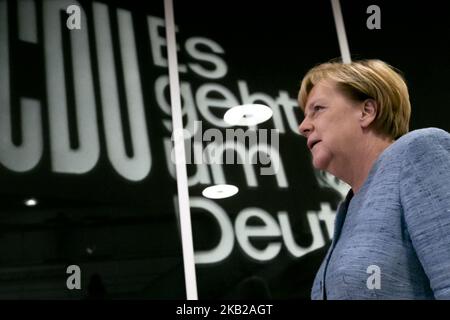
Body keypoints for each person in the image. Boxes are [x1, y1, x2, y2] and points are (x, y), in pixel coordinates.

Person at [297, 59, 450, 299]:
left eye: (317, 109)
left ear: (366, 112)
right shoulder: (348, 210)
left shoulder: (418, 151)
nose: (303, 126)